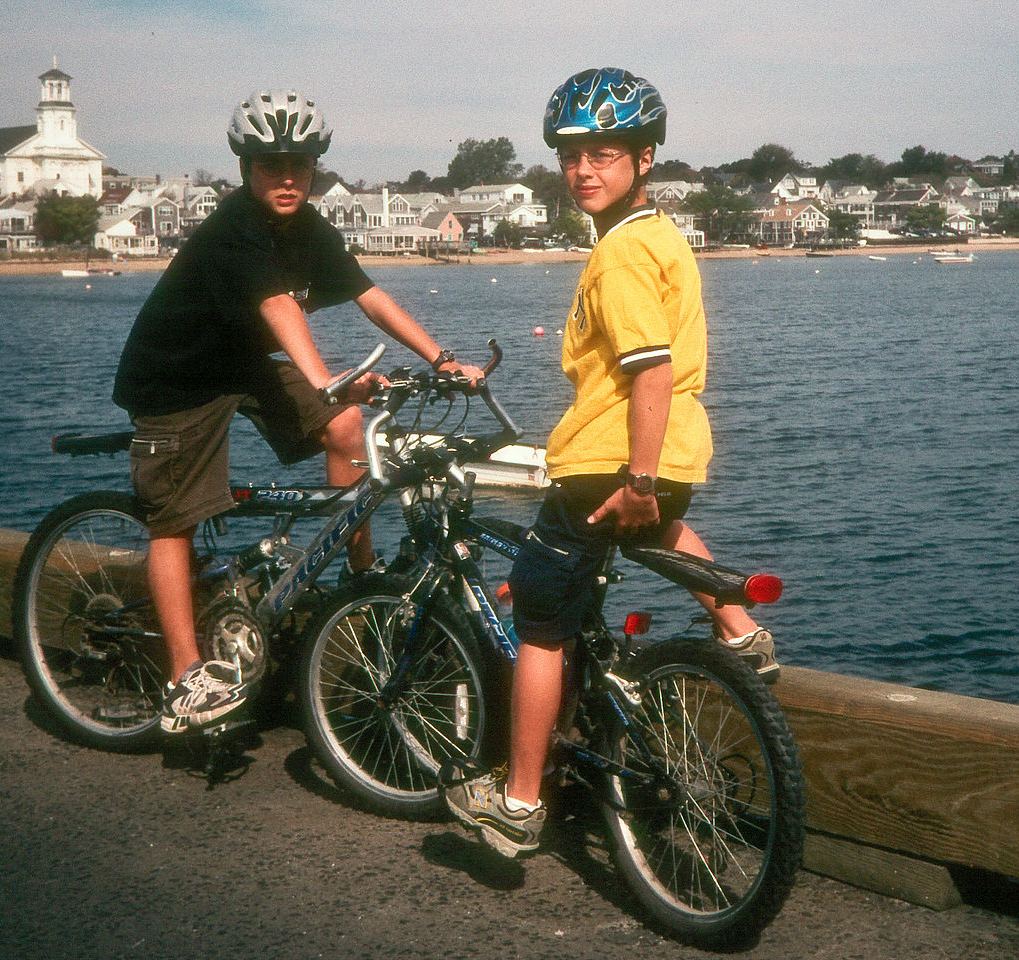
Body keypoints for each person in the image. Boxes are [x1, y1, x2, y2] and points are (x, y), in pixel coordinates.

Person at [445, 68, 777, 857]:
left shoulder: (622, 254)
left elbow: (650, 370)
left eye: (605, 153)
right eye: (571, 155)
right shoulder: (664, 237)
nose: (584, 169)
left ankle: (519, 803)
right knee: (660, 530)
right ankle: (740, 632)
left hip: (610, 458)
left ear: (645, 158)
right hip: (674, 454)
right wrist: (653, 482)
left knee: (541, 625)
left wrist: (633, 477)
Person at [112, 89, 483, 736]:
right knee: (174, 519)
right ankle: (184, 678)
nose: (286, 178)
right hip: (179, 377)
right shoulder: (236, 230)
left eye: (300, 166)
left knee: (346, 428)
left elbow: (368, 294)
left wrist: (441, 357)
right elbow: (280, 307)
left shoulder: (308, 225)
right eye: (269, 165)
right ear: (244, 169)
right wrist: (323, 377)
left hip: (245, 364)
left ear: (315, 169)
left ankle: (356, 575)